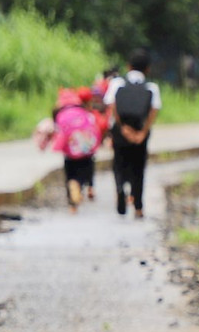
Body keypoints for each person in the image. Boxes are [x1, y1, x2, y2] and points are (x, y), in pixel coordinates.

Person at [104, 50, 161, 218]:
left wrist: (122, 128)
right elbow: (154, 110)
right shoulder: (152, 87)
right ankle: (138, 206)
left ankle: (120, 188)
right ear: (148, 69)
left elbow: (111, 105)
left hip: (120, 131)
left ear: (128, 66)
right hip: (140, 131)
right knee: (138, 167)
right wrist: (143, 132)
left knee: (119, 163)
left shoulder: (117, 83)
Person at [51, 87, 101, 212]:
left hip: (69, 150)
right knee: (85, 169)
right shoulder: (83, 111)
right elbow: (94, 129)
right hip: (84, 149)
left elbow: (57, 132)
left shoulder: (59, 113)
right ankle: (81, 184)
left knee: (70, 172)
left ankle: (72, 204)